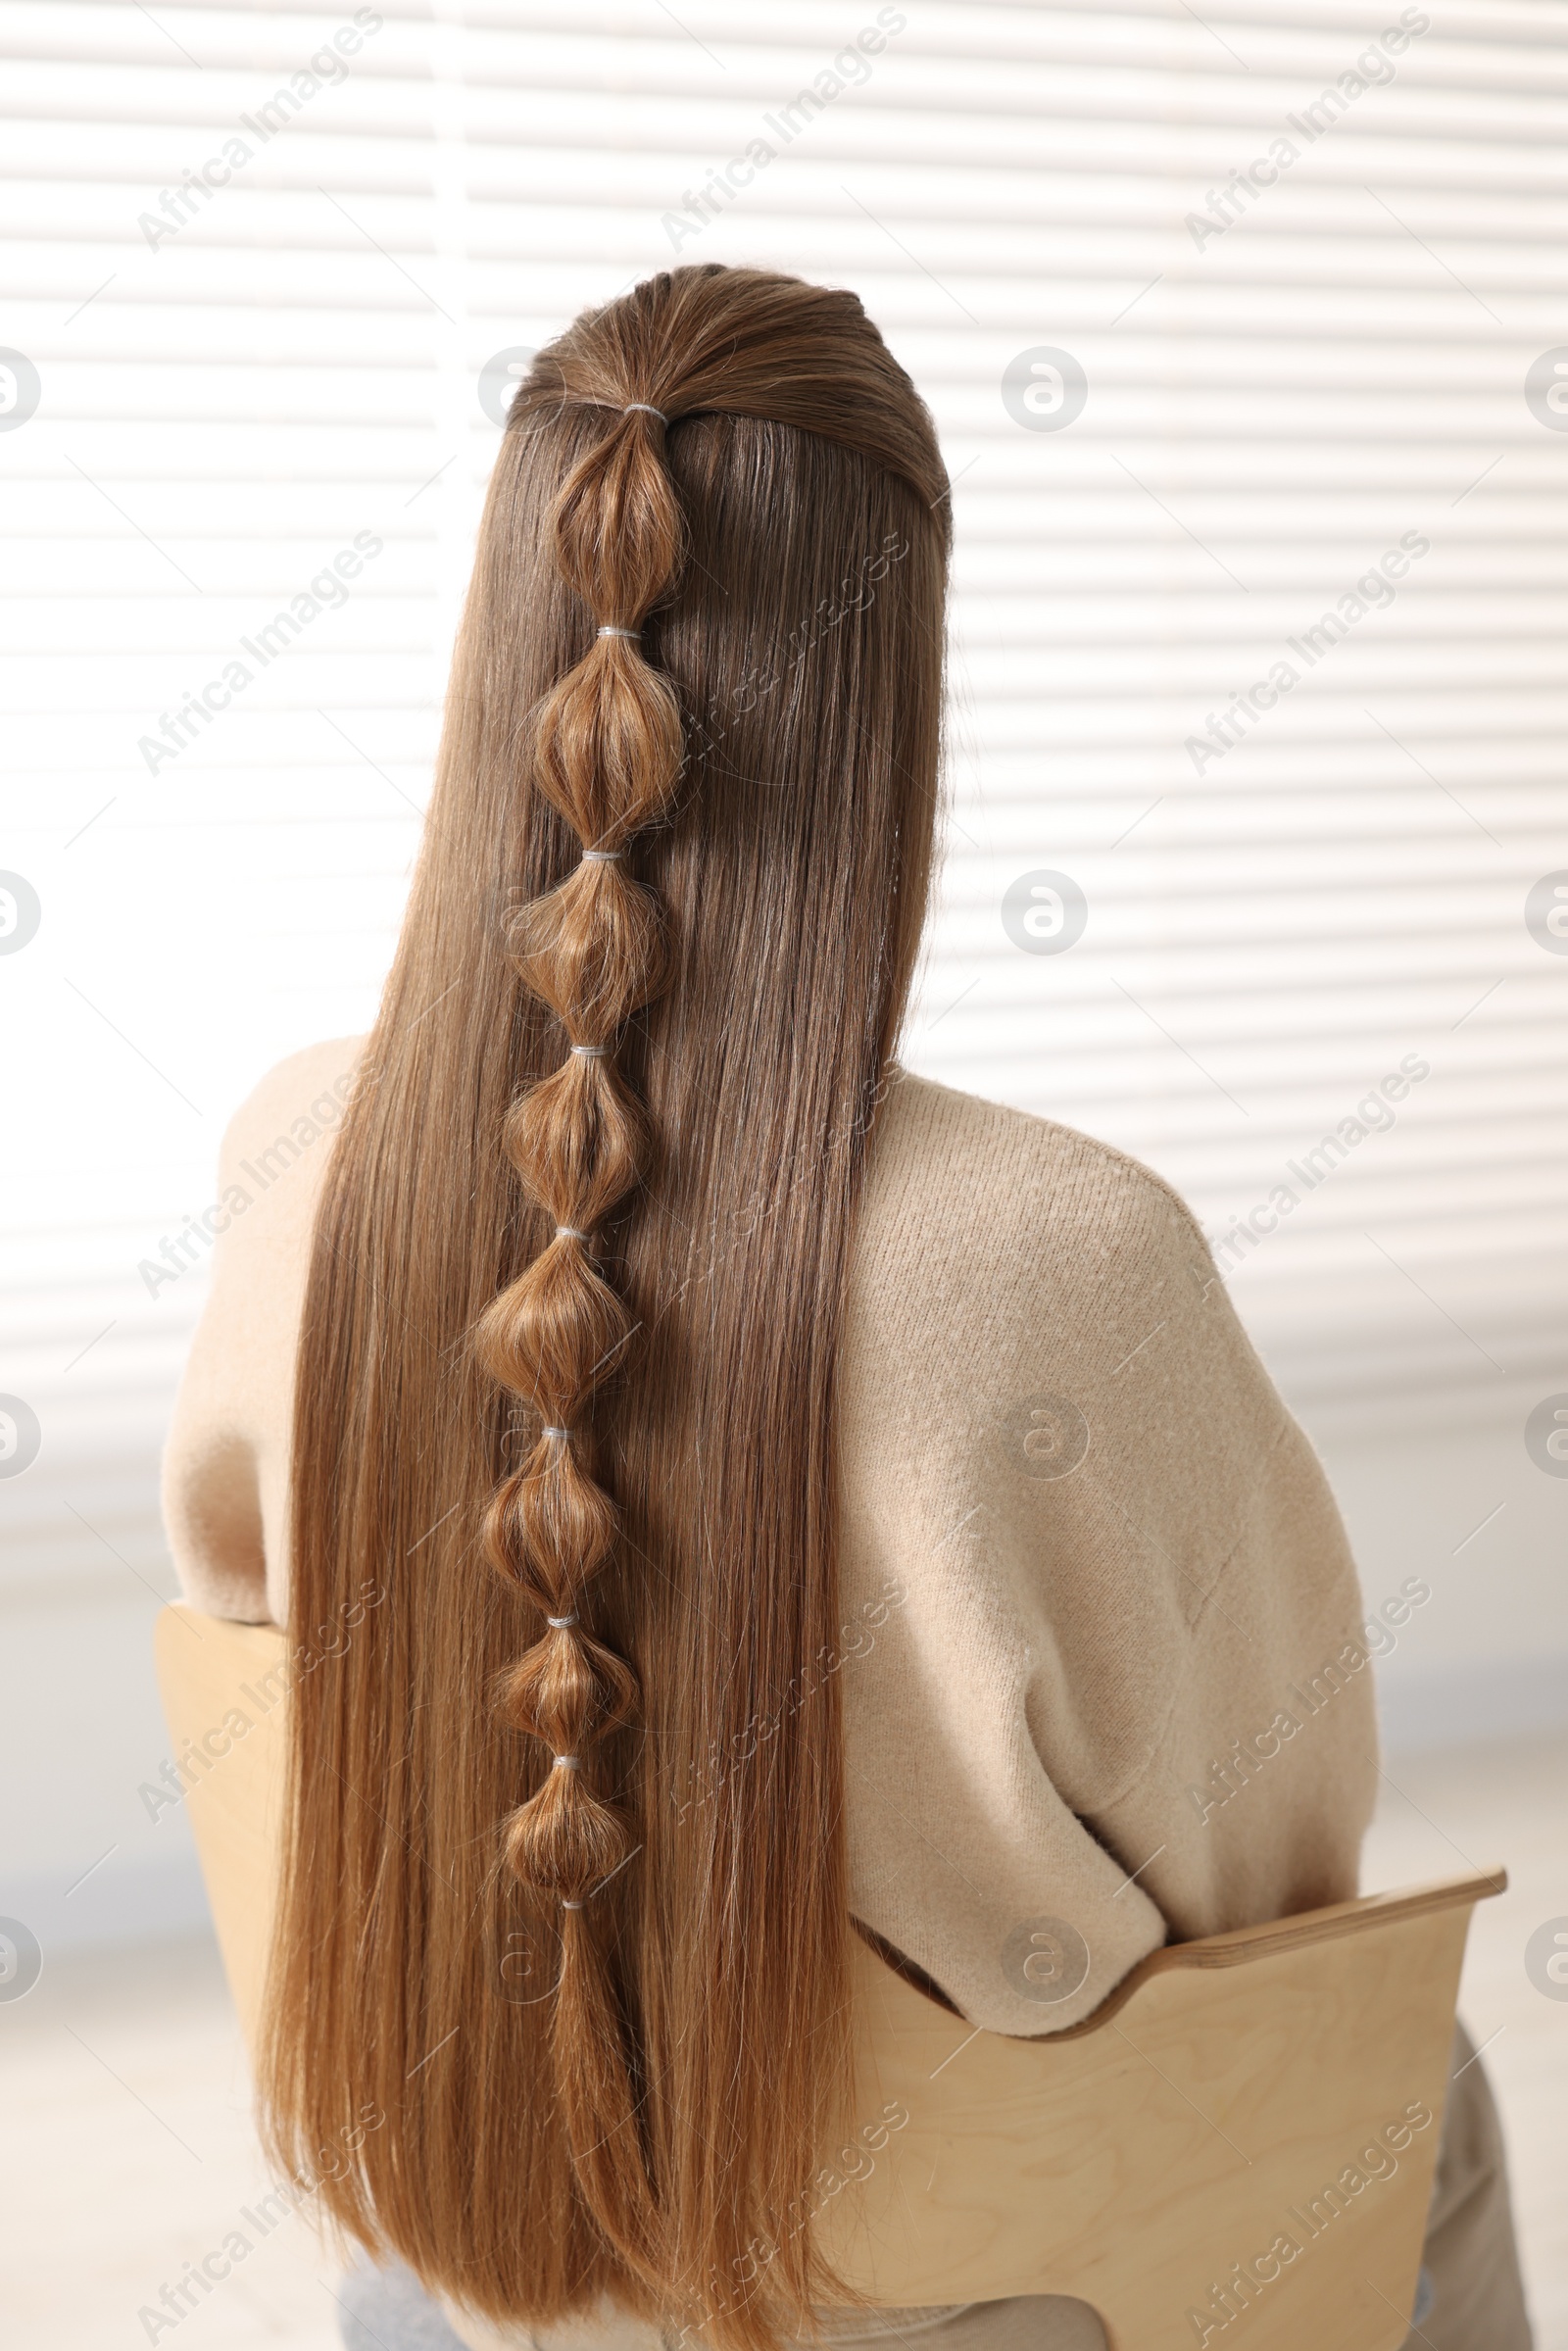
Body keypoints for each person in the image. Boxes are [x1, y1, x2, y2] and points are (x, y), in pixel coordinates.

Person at [162, 264, 1532, 2351]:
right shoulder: (1063, 1262)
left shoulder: (293, 1160)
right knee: (1412, 2088)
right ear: (885, 691)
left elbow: (260, 1678)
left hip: (458, 2249)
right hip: (976, 2290)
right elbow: (1271, 1879)